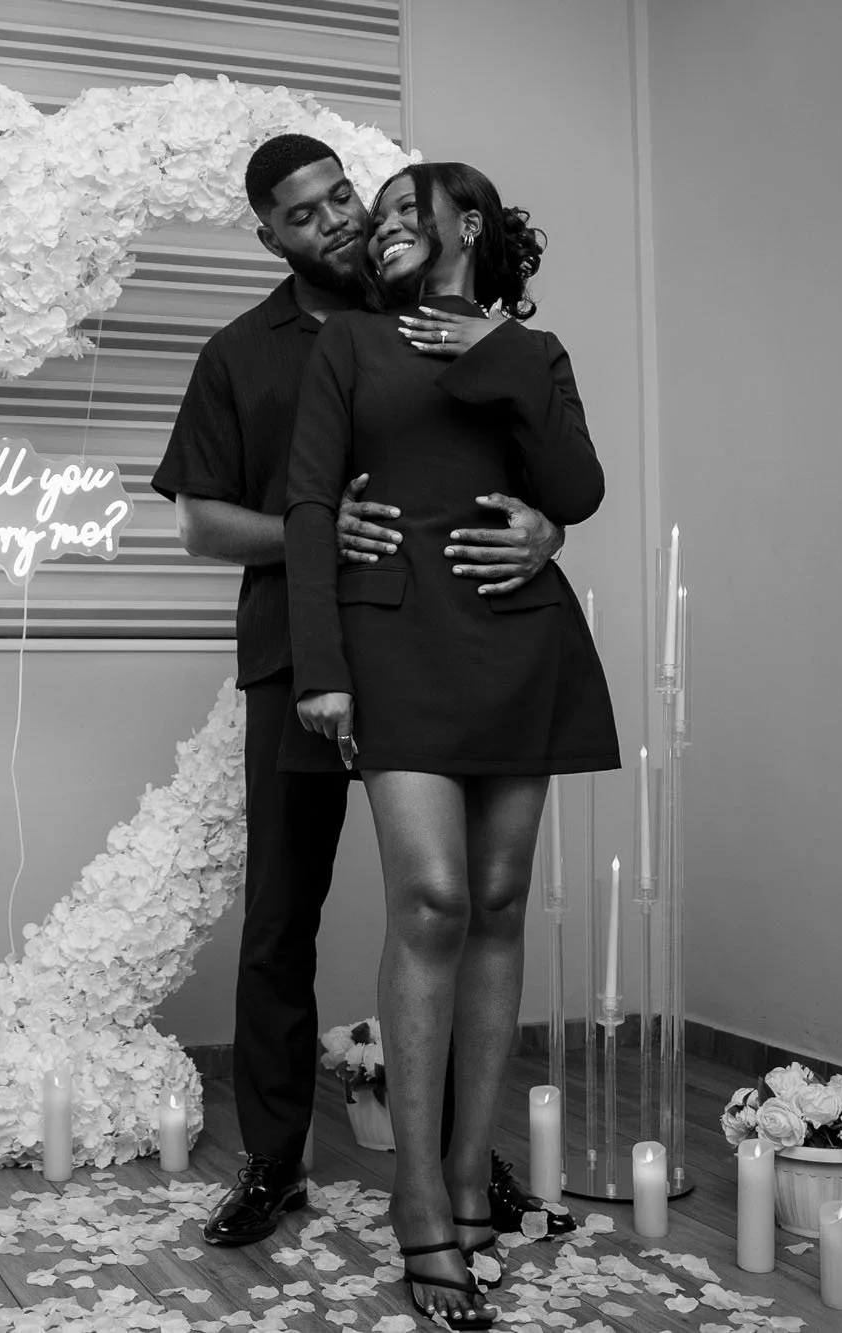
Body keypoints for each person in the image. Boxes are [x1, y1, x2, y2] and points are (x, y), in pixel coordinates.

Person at [152, 135, 568, 1252]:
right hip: (303, 655)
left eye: (343, 195)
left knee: (449, 903)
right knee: (285, 911)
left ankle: (456, 1162)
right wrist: (316, 531)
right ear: (267, 235)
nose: (333, 219)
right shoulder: (241, 352)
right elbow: (199, 521)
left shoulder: (450, 321)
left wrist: (547, 526)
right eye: (303, 214)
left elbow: (526, 468)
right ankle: (273, 1162)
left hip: (439, 658)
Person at [283, 161, 620, 1329]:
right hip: (392, 644)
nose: (375, 233)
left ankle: (472, 1176)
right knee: (427, 898)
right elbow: (308, 504)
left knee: (494, 895)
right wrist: (320, 666)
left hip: (514, 639)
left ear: (462, 226)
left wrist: (542, 521)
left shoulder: (533, 352)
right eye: (367, 222)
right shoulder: (349, 348)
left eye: (397, 217)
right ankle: (417, 1198)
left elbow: (572, 488)